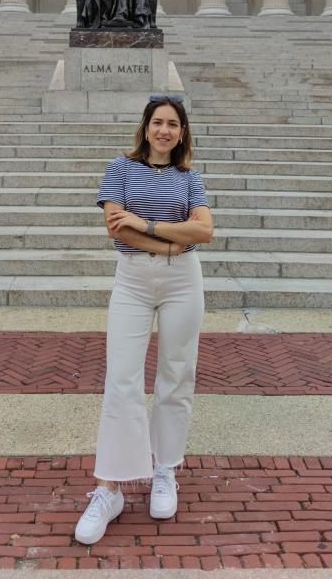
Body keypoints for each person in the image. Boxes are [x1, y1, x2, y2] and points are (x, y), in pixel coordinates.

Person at [74, 94, 214, 545]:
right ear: (146, 127)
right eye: (158, 122)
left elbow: (205, 231)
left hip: (182, 285)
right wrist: (172, 243)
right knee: (122, 378)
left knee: (177, 375)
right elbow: (116, 227)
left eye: (174, 124)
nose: (165, 130)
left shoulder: (190, 178)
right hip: (133, 280)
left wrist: (148, 226)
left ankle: (164, 471)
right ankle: (110, 487)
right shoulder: (120, 168)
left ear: (182, 132)